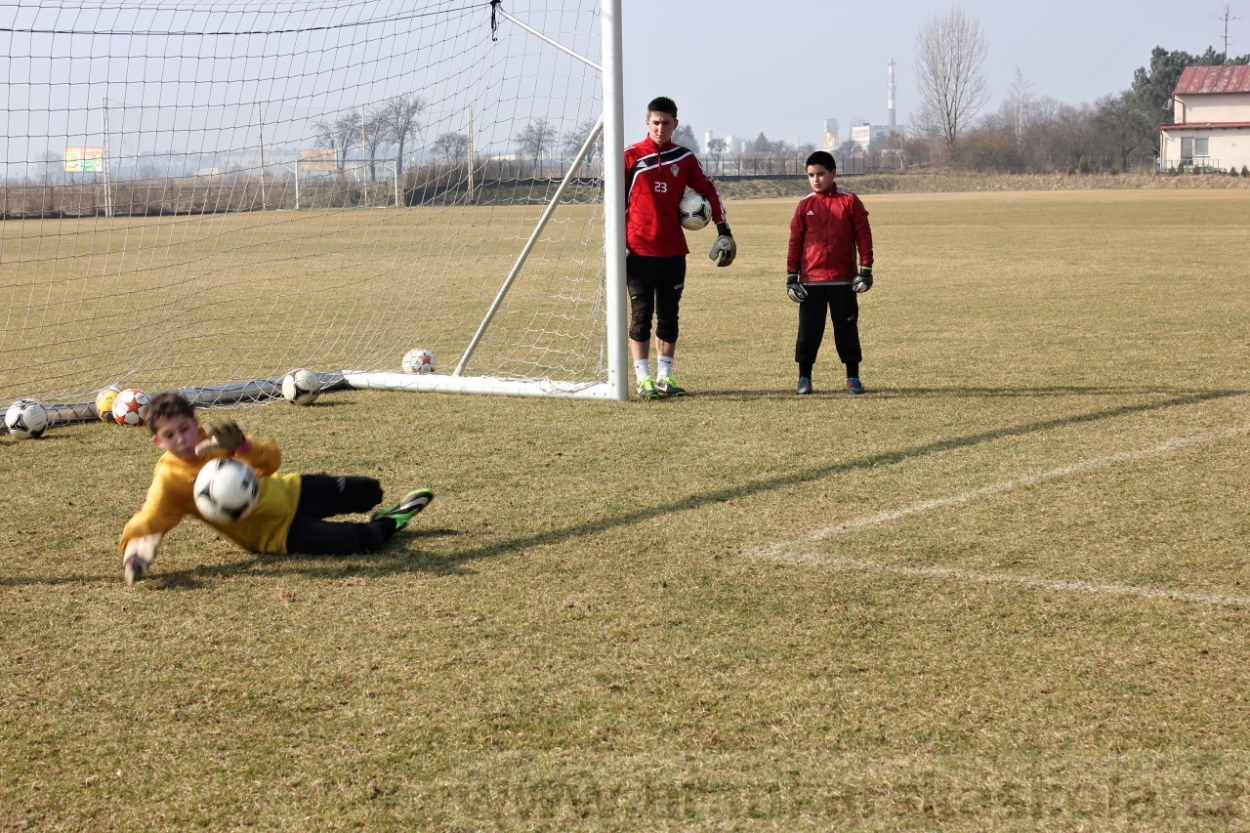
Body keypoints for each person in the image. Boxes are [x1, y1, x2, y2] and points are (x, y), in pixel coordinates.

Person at [118, 391, 433, 584]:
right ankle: (391, 520)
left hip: (294, 490)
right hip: (277, 534)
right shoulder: (169, 480)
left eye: (184, 429)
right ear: (158, 441)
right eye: (170, 435)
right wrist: (134, 551)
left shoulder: (217, 441)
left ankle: (375, 506)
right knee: (362, 540)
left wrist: (243, 446)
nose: (182, 440)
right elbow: (150, 517)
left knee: (370, 491)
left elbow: (271, 462)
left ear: (195, 423)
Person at [624, 96, 735, 399]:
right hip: (638, 251)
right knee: (641, 315)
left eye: (666, 123)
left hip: (673, 251)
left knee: (669, 315)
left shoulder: (684, 158)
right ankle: (643, 378)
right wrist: (618, 242)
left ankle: (665, 377)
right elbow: (616, 203)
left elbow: (708, 189)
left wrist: (723, 230)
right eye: (656, 122)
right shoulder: (630, 157)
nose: (661, 128)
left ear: (676, 124)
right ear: (647, 122)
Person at [785, 150, 874, 395]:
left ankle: (853, 378)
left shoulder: (850, 201)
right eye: (811, 175)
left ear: (833, 173)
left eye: (821, 174)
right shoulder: (805, 205)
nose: (816, 180)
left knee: (846, 331)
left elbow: (863, 236)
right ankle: (804, 378)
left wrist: (866, 270)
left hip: (843, 281)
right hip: (811, 282)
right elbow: (795, 242)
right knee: (808, 333)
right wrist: (791, 276)